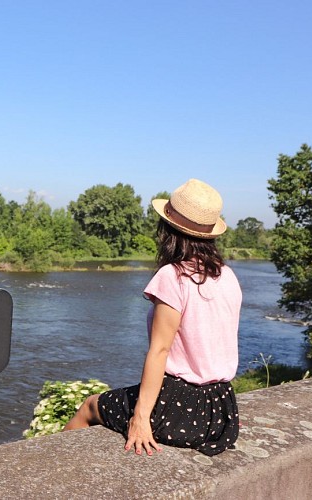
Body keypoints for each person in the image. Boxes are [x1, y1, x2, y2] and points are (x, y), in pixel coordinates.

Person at [64, 178, 241, 457]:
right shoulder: (227, 275)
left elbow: (160, 351)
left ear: (167, 229)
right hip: (220, 411)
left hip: (179, 407)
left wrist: (141, 418)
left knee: (90, 406)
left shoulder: (174, 276)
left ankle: (49, 466)